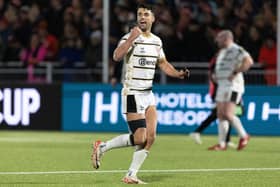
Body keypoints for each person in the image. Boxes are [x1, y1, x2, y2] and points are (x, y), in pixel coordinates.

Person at [91, 4, 189, 184]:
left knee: (150, 138)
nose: (142, 18)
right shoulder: (129, 37)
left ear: (153, 19)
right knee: (140, 138)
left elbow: (163, 64)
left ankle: (131, 174)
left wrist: (178, 74)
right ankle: (103, 147)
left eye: (146, 14)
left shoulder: (157, 41)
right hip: (132, 93)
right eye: (139, 15)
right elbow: (116, 56)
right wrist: (131, 40)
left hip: (148, 94)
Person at [208, 30, 253, 151]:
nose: (217, 40)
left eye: (219, 38)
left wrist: (235, 72)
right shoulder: (222, 52)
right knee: (221, 114)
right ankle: (222, 144)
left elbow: (249, 61)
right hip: (222, 85)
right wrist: (215, 76)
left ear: (226, 38)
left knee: (228, 113)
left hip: (233, 86)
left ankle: (244, 136)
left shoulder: (236, 49)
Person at [190, 54, 244, 148]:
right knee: (221, 114)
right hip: (220, 93)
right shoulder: (219, 63)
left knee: (228, 114)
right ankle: (198, 132)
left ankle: (226, 140)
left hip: (229, 92)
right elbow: (216, 78)